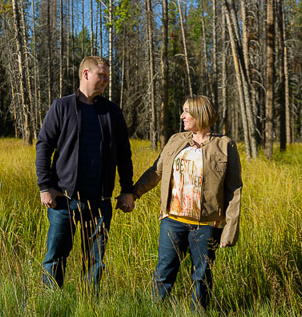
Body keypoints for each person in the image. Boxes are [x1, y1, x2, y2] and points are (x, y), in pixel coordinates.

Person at [132, 95, 242, 310]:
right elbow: (157, 171)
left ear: (200, 113)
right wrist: (134, 193)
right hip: (172, 220)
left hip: (207, 224)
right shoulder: (176, 140)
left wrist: (230, 229)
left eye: (186, 112)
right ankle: (155, 312)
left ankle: (197, 313)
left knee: (202, 277)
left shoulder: (224, 145)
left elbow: (234, 190)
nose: (182, 116)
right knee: (164, 273)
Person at [35, 56, 135, 291]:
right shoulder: (62, 106)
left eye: (108, 77)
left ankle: (89, 305)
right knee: (56, 256)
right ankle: (51, 304)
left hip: (100, 203)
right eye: (101, 75)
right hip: (64, 200)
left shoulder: (112, 112)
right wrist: (44, 186)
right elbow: (44, 146)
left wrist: (127, 190)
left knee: (95, 262)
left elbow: (124, 154)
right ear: (86, 74)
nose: (106, 81)